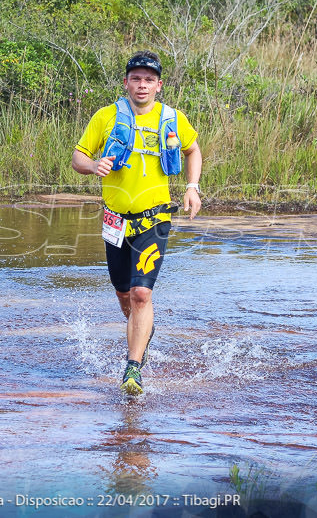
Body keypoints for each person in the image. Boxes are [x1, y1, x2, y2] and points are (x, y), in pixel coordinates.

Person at [72, 51, 202, 396]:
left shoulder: (172, 118)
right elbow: (77, 157)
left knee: (141, 294)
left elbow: (193, 150)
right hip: (115, 221)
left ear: (159, 85)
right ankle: (142, 332)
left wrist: (192, 187)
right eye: (136, 78)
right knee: (123, 294)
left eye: (149, 79)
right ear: (126, 82)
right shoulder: (106, 116)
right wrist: (93, 165)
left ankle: (132, 368)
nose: (142, 85)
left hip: (154, 218)